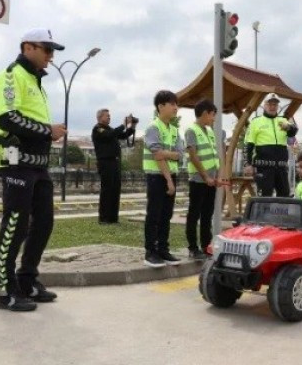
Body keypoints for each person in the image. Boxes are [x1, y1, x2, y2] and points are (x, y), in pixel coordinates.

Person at [0, 28, 67, 311]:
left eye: (53, 51)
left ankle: (26, 280)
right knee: (15, 224)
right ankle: (5, 290)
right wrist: (48, 131)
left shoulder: (35, 81)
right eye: (47, 50)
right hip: (14, 160)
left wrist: (47, 132)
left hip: (37, 165)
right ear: (28, 48)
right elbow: (7, 118)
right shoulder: (11, 76)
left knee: (44, 222)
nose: (51, 56)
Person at [143, 90, 185, 268]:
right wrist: (168, 179)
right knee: (154, 215)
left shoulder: (174, 130)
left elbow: (180, 155)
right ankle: (150, 252)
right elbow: (157, 155)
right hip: (157, 177)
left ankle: (163, 249)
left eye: (176, 104)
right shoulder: (154, 127)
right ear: (161, 106)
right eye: (172, 104)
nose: (176, 107)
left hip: (171, 176)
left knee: (166, 215)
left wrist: (169, 154)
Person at [244, 94, 299, 197]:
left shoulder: (282, 120)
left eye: (275, 104)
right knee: (265, 197)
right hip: (264, 168)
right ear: (264, 105)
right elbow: (248, 145)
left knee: (284, 195)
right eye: (270, 104)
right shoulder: (256, 122)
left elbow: (294, 131)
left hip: (281, 167)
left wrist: (288, 127)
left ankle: (280, 214)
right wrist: (247, 164)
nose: (272, 107)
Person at [185, 99, 220, 260]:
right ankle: (193, 248)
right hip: (198, 181)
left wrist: (216, 176)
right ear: (205, 113)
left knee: (207, 215)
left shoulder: (209, 131)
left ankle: (206, 246)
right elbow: (193, 155)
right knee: (194, 214)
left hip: (211, 181)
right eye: (213, 115)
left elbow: (213, 156)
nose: (213, 118)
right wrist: (206, 176)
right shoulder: (191, 130)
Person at [91, 109, 136, 224]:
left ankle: (113, 218)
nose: (109, 118)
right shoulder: (98, 129)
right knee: (107, 190)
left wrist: (132, 126)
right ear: (100, 117)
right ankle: (103, 218)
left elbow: (123, 135)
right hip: (105, 162)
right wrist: (124, 124)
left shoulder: (110, 129)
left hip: (115, 162)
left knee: (115, 189)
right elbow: (110, 135)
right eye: (107, 116)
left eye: (110, 116)